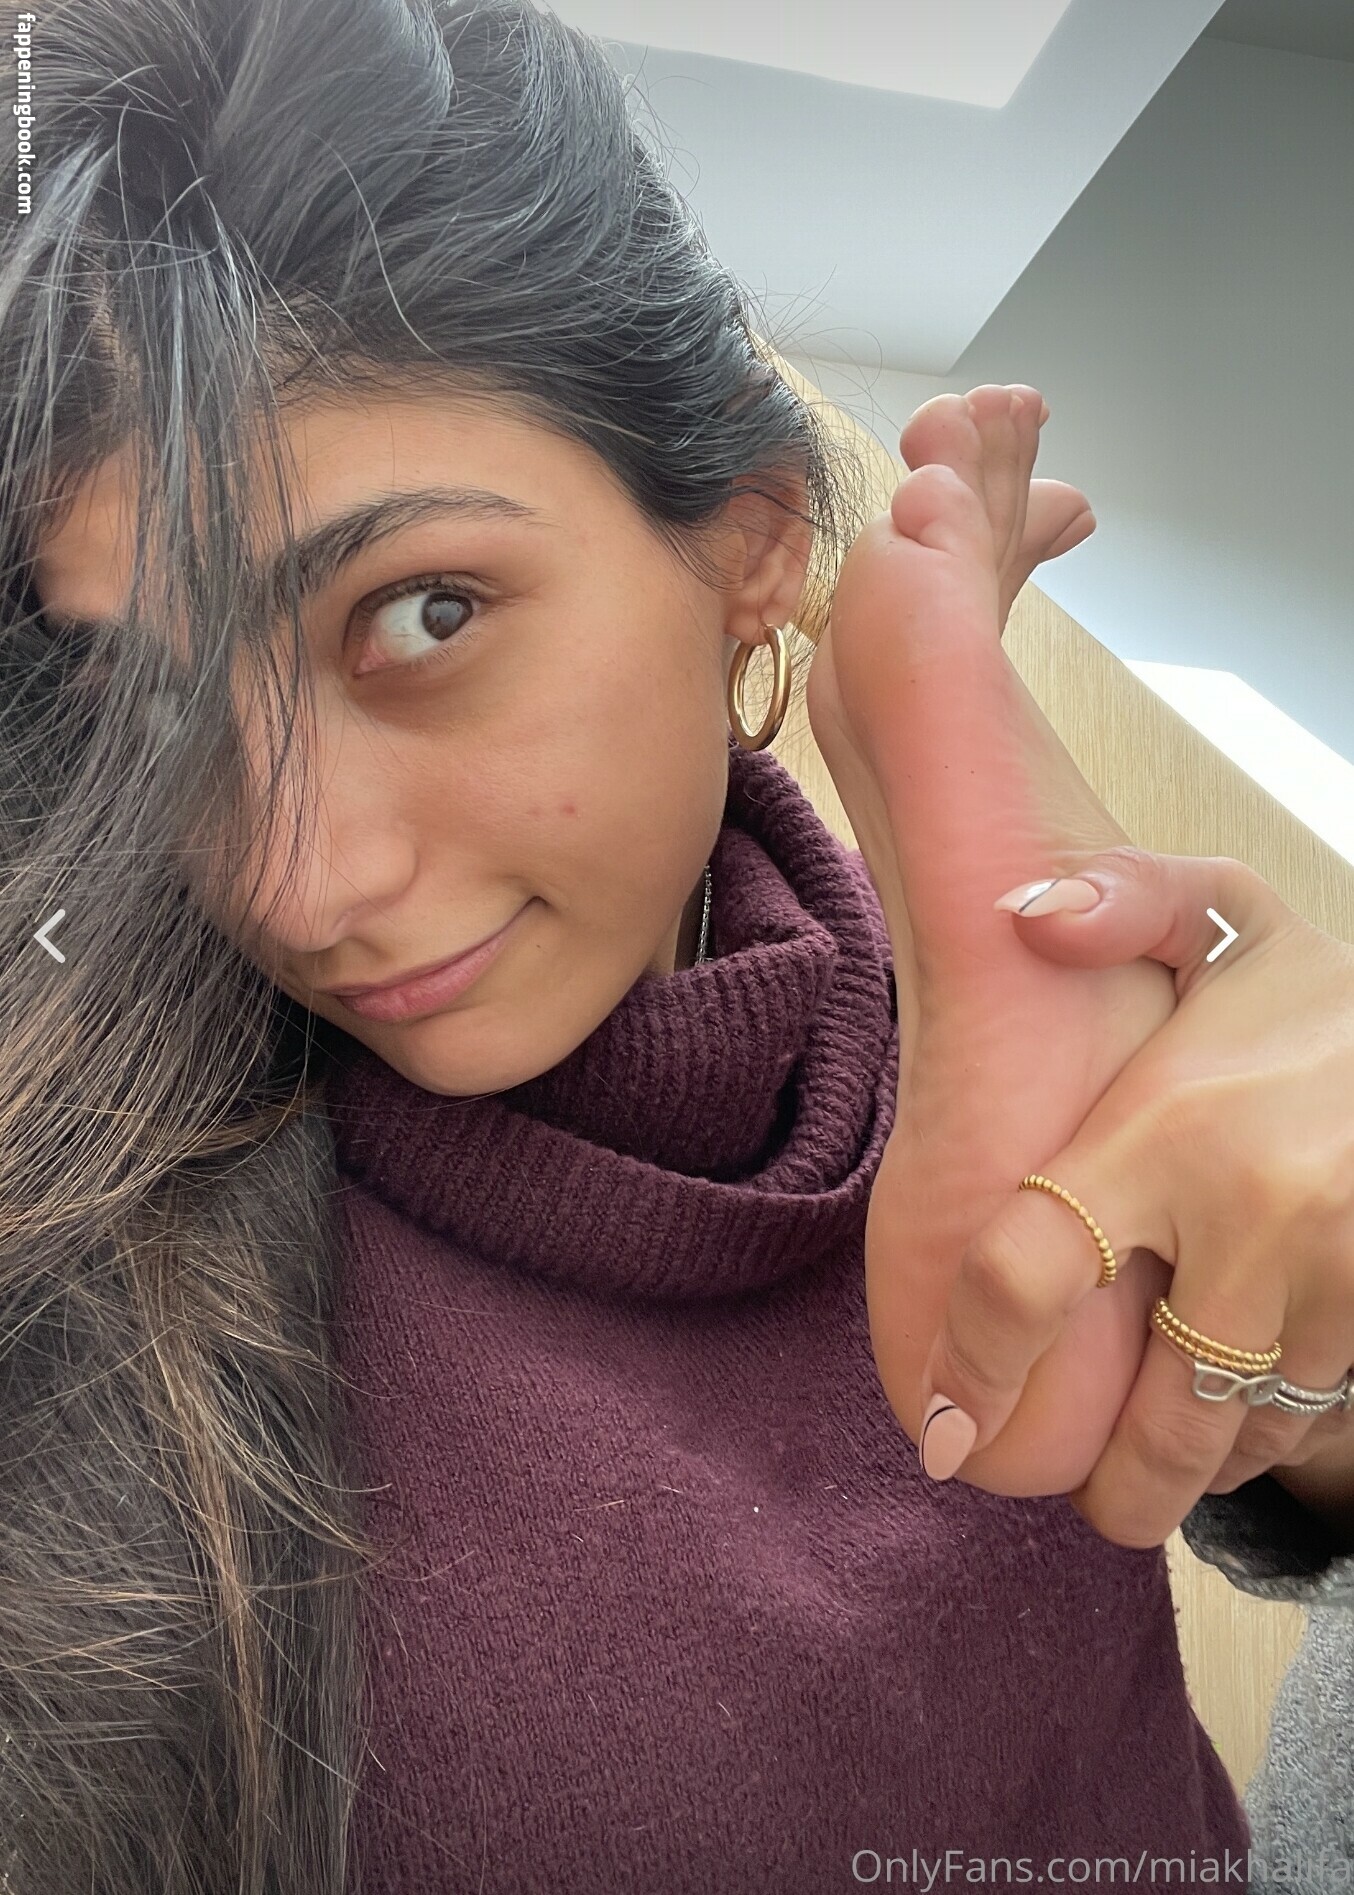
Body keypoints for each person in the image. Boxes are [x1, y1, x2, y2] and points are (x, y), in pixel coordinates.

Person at [0, 1, 1339, 1889]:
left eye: (421, 613)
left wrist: (1318, 1342)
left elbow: (1255, 1475)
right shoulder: (92, 1210)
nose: (298, 888)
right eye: (149, 704)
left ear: (751, 541)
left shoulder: (981, 1046)